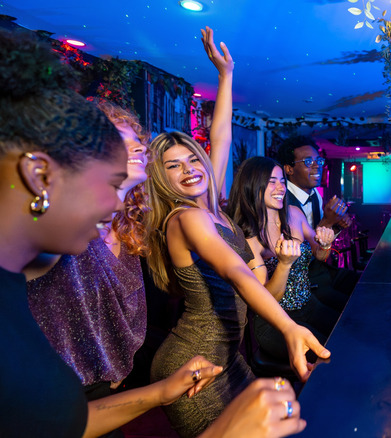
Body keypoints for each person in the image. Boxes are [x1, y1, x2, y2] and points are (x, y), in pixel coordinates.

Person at [0, 27, 242, 438]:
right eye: (107, 179)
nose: (113, 200)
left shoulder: (136, 217)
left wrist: (159, 392)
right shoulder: (46, 255)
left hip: (114, 380)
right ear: (41, 173)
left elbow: (66, 421)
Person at [144, 28, 328, 437]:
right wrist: (288, 327)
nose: (189, 168)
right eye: (172, 166)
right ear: (161, 179)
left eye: (191, 158)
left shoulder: (215, 209)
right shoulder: (184, 218)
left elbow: (221, 135)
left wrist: (226, 75)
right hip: (195, 366)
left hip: (229, 356)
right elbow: (236, 272)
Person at [25, 101, 149, 416]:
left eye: (138, 142)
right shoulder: (58, 225)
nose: (138, 147)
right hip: (51, 397)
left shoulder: (127, 228)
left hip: (109, 389)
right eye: (122, 140)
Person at [227, 156, 340, 360]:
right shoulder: (248, 237)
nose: (280, 188)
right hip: (275, 322)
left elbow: (320, 256)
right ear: (252, 185)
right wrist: (284, 264)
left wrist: (325, 244)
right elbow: (266, 299)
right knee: (331, 357)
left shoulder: (294, 214)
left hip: (309, 304)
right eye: (272, 182)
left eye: (282, 181)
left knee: (346, 336)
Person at [277, 135, 359, 312]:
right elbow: (302, 253)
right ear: (289, 169)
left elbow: (322, 241)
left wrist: (336, 226)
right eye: (308, 161)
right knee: (352, 311)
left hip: (322, 270)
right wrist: (328, 221)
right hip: (303, 282)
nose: (317, 166)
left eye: (318, 160)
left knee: (364, 287)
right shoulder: (281, 203)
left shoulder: (315, 195)